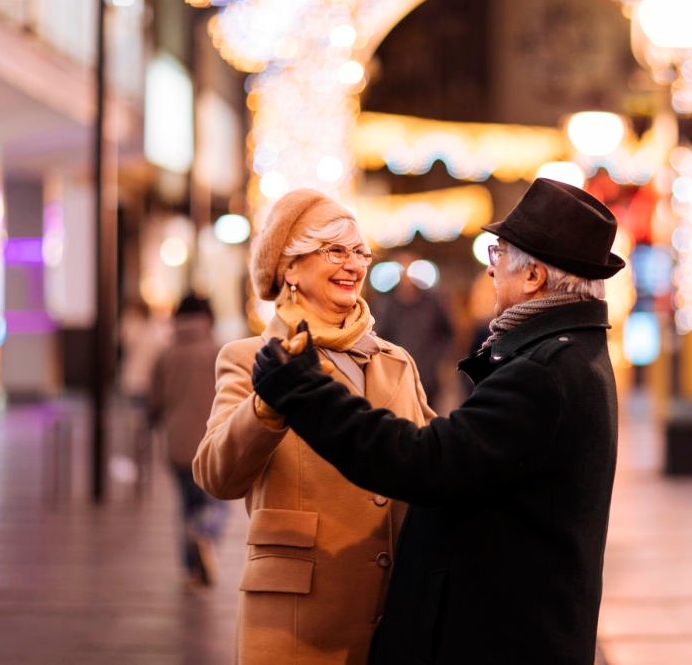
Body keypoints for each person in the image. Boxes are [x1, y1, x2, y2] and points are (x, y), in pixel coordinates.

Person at [250, 177, 626, 665]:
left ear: (533, 276)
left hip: (503, 639)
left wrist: (304, 391)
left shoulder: (544, 373)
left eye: (498, 256)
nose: (490, 272)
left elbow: (427, 460)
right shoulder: (573, 354)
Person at [193, 189, 435, 665]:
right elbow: (215, 474)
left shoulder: (396, 363)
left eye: (360, 252)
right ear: (290, 268)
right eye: (336, 251)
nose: (354, 265)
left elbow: (432, 467)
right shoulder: (249, 360)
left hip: (396, 609)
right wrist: (268, 405)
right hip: (296, 617)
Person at [147, 294, 226, 588]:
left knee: (186, 507)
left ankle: (191, 571)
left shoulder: (165, 355)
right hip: (213, 444)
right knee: (216, 503)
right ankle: (205, 534)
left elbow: (153, 402)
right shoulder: (220, 352)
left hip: (177, 444)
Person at [371, 251, 455, 412]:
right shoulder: (386, 305)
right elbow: (379, 336)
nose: (406, 275)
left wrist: (440, 361)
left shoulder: (433, 302)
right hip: (398, 376)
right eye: (402, 269)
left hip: (428, 375)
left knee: (429, 415)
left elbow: (447, 334)